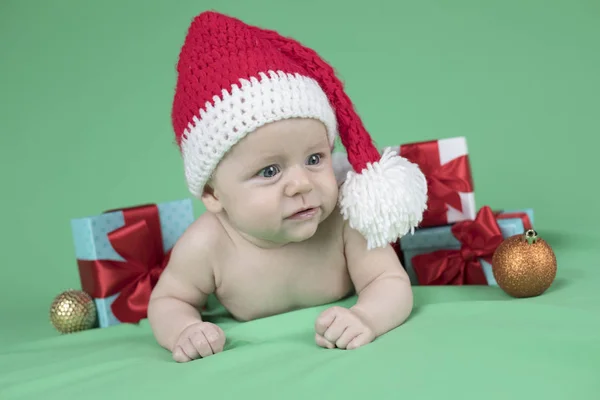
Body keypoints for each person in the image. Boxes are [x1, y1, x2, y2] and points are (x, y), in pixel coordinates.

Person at [147, 10, 428, 362]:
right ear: (213, 194)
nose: (300, 184)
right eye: (269, 171)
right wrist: (185, 330)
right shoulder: (207, 244)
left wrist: (366, 317)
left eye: (314, 159)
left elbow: (389, 281)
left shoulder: (343, 219)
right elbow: (169, 300)